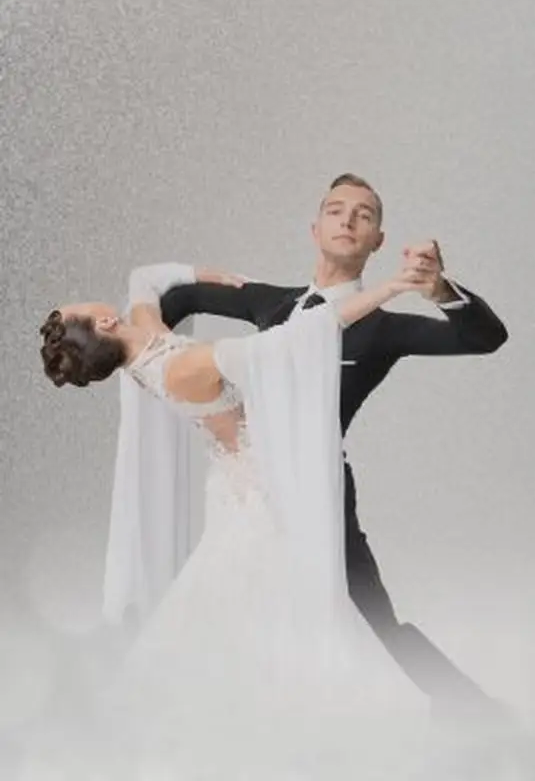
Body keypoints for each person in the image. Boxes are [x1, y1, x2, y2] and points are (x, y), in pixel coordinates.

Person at [32, 262, 441, 778]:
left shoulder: (147, 338)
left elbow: (142, 279)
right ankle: (278, 734)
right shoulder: (184, 365)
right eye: (76, 307)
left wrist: (203, 273)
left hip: (233, 482)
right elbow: (299, 338)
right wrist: (393, 287)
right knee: (274, 609)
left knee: (240, 602)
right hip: (264, 490)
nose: (81, 297)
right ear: (106, 323)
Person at [157, 173, 510, 724]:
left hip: (317, 490)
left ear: (377, 241)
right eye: (336, 210)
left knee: (373, 617)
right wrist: (161, 348)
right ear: (315, 228)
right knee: (228, 603)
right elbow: (176, 298)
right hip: (246, 488)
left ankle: (473, 711)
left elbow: (485, 339)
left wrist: (439, 288)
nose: (348, 220)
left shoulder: (382, 328)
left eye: (363, 215)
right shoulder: (270, 302)